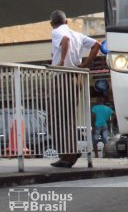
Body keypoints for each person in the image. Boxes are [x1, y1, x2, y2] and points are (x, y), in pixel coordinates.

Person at [49, 9, 101, 168]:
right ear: (66, 21)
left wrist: (62, 61)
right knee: (67, 116)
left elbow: (65, 40)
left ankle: (69, 152)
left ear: (52, 24)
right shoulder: (77, 34)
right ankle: (68, 154)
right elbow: (97, 45)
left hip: (64, 77)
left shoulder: (57, 32)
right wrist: (84, 65)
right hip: (75, 77)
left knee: (56, 118)